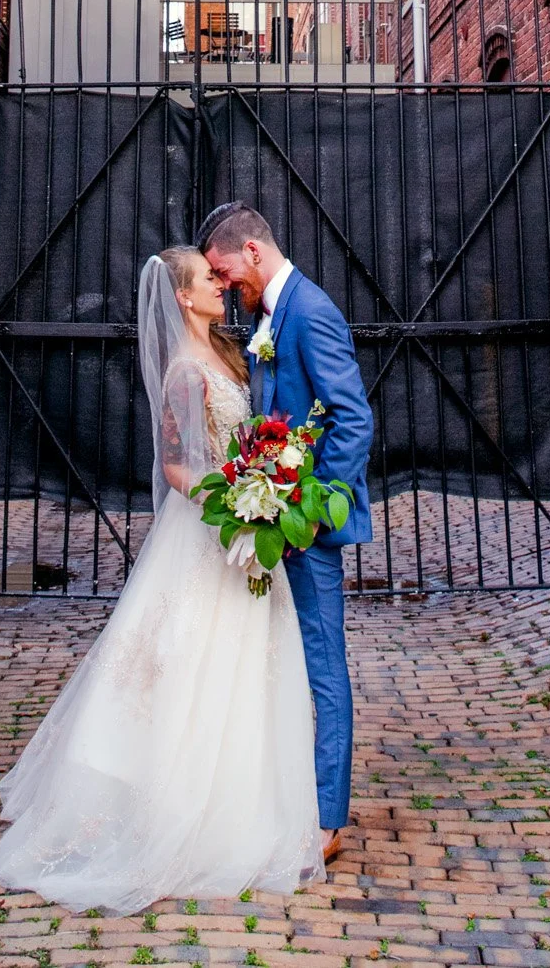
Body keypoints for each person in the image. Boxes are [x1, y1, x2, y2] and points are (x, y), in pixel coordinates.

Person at [0, 246, 323, 912]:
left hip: (240, 525)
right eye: (207, 280)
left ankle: (237, 801)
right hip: (209, 530)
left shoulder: (227, 355)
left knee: (240, 665)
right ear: (181, 296)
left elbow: (243, 437)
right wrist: (239, 498)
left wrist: (269, 475)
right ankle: (169, 806)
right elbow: (175, 467)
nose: (219, 287)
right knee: (182, 663)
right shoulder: (183, 373)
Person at [199, 203, 373, 868]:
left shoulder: (310, 310)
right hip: (276, 515)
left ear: (250, 250)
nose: (223, 285)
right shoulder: (270, 314)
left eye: (223, 271)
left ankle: (327, 819)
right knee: (289, 663)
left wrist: (311, 511)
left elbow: (351, 420)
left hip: (307, 528)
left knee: (324, 669)